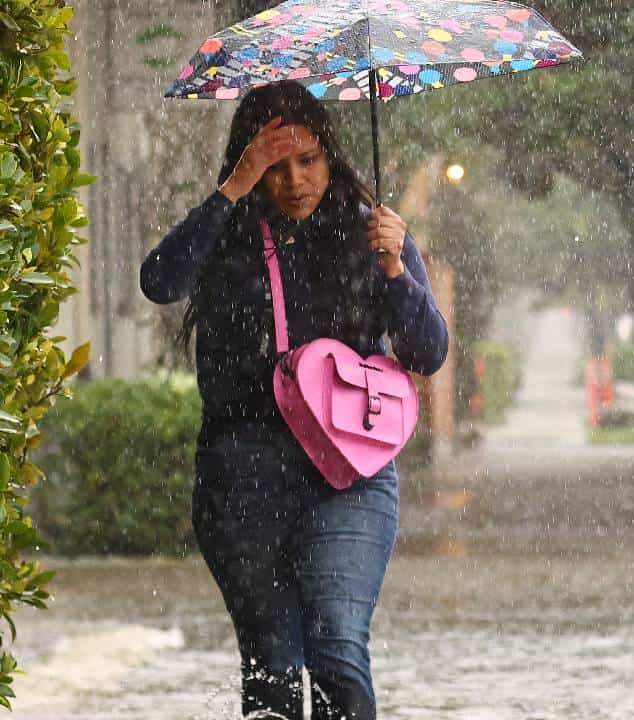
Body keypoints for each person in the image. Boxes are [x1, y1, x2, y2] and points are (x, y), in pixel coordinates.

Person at [140, 80, 448, 719]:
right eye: (274, 166)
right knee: (274, 671)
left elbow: (429, 352)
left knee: (337, 648)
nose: (294, 180)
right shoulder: (228, 235)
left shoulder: (373, 235)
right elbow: (160, 281)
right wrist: (234, 187)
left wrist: (395, 270)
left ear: (330, 156)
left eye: (307, 160)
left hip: (349, 478)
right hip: (242, 480)